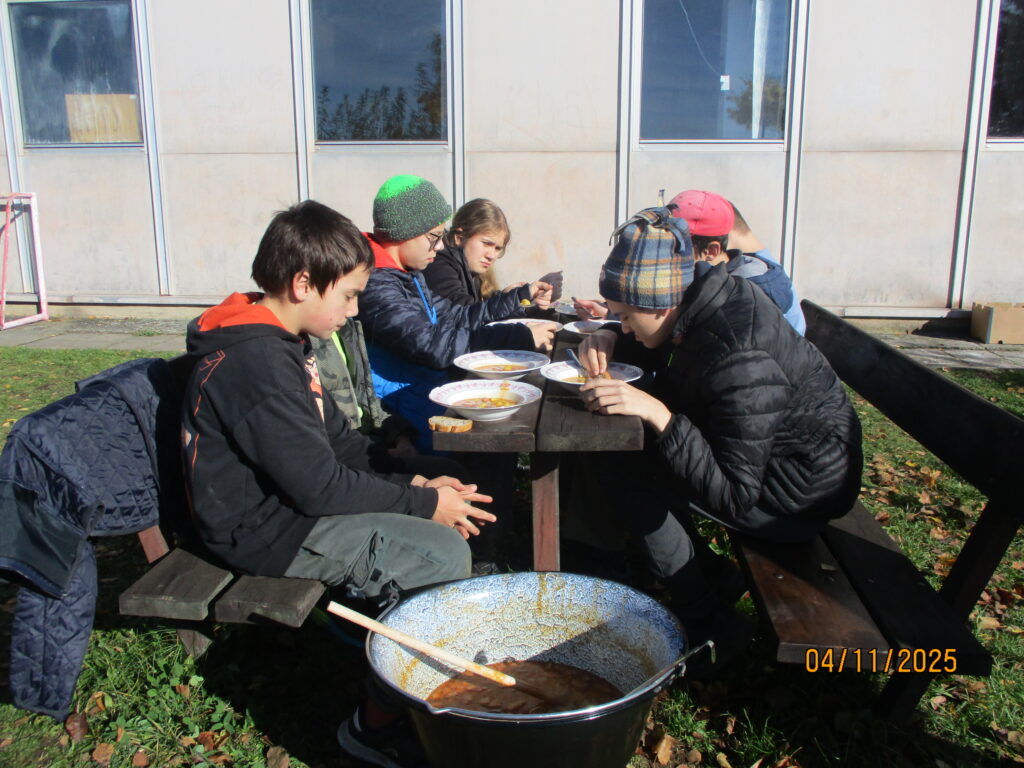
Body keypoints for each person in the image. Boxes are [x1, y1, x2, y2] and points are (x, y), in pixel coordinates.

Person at [181, 199, 494, 766]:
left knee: (446, 497)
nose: (354, 313)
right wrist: (424, 504)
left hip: (293, 504)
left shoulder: (282, 341)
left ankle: (419, 653)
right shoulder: (258, 363)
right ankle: (375, 728)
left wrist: (417, 476)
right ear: (303, 284)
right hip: (264, 528)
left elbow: (342, 445)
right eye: (349, 296)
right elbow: (318, 488)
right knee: (441, 556)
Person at [576, 206, 862, 676]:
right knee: (627, 455)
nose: (622, 325)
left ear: (662, 304)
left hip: (796, 496)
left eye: (625, 317)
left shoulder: (739, 356)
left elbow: (732, 495)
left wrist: (660, 415)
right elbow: (662, 341)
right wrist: (610, 337)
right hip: (779, 468)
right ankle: (712, 577)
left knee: (624, 466)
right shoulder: (702, 299)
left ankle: (710, 626)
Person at [357, 175, 558, 452]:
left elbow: (458, 315)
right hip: (403, 410)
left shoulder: (407, 274)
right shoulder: (377, 284)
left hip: (426, 397)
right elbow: (431, 345)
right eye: (434, 236)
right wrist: (519, 337)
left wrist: (517, 298)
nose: (440, 246)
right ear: (405, 232)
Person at [668, 189, 806, 335]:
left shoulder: (750, 293)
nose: (667, 256)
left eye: (675, 247)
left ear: (711, 251)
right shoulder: (722, 275)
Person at [422, 197, 553, 308]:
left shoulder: (470, 270)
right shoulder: (438, 264)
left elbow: (479, 310)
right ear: (459, 238)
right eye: (486, 243)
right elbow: (465, 312)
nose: (491, 256)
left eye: (497, 248)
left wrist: (507, 296)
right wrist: (516, 298)